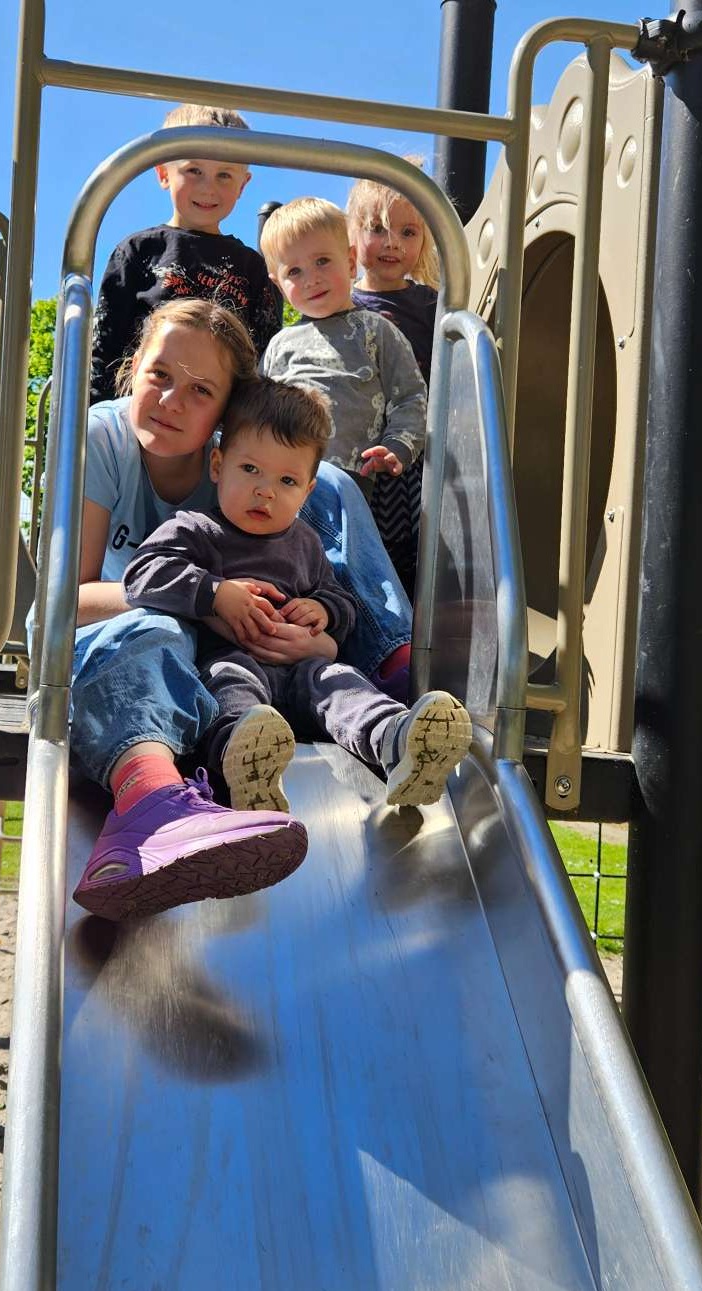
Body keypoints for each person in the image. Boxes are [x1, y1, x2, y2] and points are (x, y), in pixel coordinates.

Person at [69, 299, 413, 921]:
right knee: (161, 626)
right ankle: (157, 797)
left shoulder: (251, 469)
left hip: (255, 653)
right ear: (133, 368)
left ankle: (392, 664)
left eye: (201, 391)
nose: (171, 401)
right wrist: (206, 598)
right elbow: (63, 602)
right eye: (158, 375)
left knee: (332, 482)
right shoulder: (107, 438)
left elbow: (312, 573)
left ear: (225, 415)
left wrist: (321, 635)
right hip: (128, 640)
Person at [122, 378, 471, 815]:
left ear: (307, 491)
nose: (265, 490)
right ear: (217, 465)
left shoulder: (305, 542)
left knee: (340, 682)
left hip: (303, 669)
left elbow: (341, 602)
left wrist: (322, 610)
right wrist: (216, 593)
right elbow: (141, 574)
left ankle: (396, 743)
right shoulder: (196, 529)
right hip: (231, 658)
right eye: (250, 469)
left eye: (287, 480)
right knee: (229, 683)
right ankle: (242, 764)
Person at [89, 104, 281, 405]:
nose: (208, 188)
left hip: (218, 419)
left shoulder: (251, 267)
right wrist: (94, 416)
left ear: (243, 184)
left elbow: (265, 360)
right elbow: (104, 349)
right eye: (194, 170)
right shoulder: (138, 252)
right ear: (163, 173)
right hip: (141, 412)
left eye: (224, 175)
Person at [259, 197, 427, 495]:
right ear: (279, 285)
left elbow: (411, 396)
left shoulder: (375, 330)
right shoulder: (279, 345)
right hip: (281, 479)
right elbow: (255, 408)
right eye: (294, 272)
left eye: (322, 261)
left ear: (350, 263)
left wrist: (398, 445)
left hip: (352, 480)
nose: (311, 279)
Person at [346, 174, 440, 600]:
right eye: (377, 229)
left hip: (415, 453)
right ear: (352, 234)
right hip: (361, 451)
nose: (392, 243)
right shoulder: (343, 304)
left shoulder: (432, 304)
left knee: (410, 551)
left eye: (408, 232)